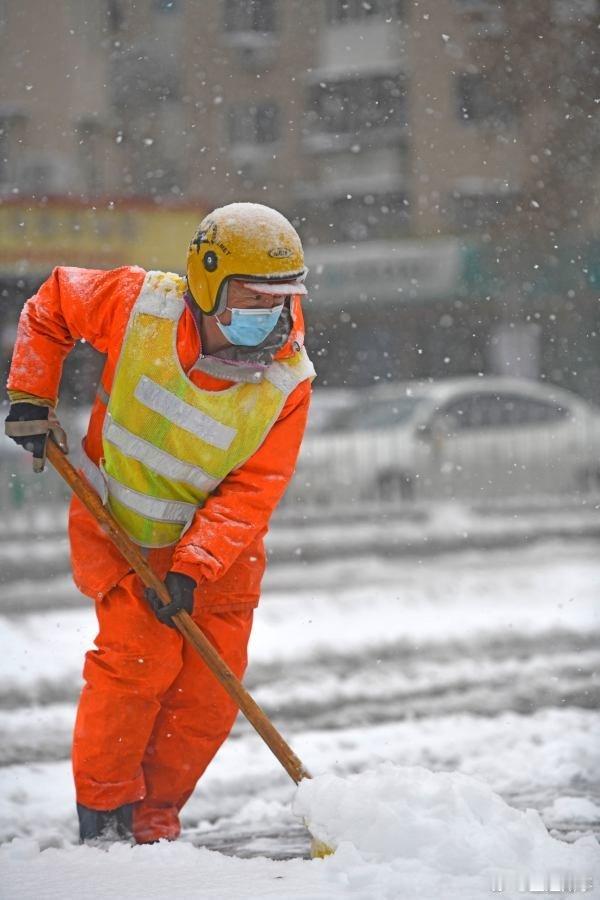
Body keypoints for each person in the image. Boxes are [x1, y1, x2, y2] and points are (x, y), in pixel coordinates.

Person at [4, 202, 315, 844]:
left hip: (220, 560)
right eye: (251, 298)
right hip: (123, 535)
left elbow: (254, 488)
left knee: (205, 700)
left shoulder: (288, 380)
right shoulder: (140, 305)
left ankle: (153, 822)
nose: (269, 314)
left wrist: (196, 567)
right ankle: (108, 816)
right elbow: (53, 304)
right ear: (206, 283)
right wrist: (32, 395)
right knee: (136, 666)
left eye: (280, 299)